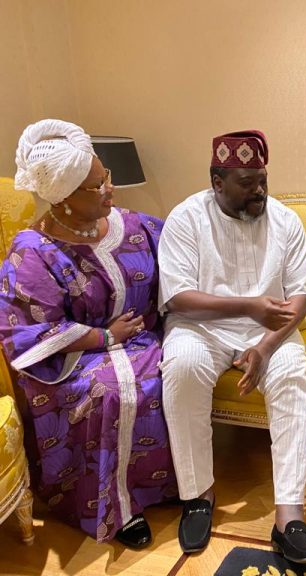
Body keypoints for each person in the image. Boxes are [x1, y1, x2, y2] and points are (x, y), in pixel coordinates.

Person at [0, 119, 177, 548]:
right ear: (62, 199)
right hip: (75, 357)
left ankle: (163, 487)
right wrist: (104, 338)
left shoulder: (134, 225)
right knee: (111, 392)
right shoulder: (33, 252)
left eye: (106, 178)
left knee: (175, 371)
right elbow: (29, 331)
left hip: (143, 338)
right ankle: (115, 508)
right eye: (96, 186)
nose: (110, 191)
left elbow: (180, 261)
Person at [158, 130, 306, 561]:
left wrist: (265, 348)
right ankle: (198, 495)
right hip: (201, 327)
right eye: (246, 183)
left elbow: (301, 295)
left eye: (263, 179)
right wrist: (248, 306)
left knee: (291, 375)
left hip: (268, 330)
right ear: (217, 181)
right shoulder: (185, 218)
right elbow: (177, 297)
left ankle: (289, 514)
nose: (259, 191)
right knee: (182, 367)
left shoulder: (285, 220)